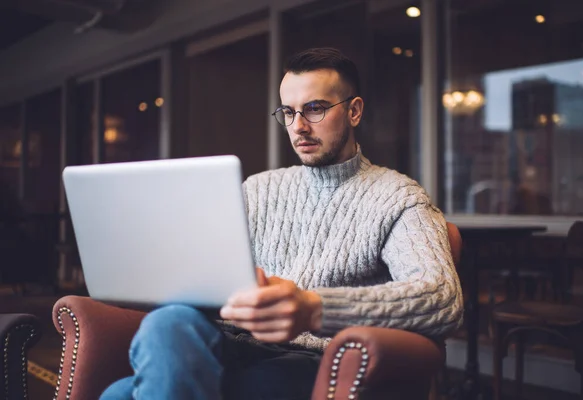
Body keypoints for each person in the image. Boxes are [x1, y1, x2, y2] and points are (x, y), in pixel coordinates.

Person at [100, 47, 463, 400]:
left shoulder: (397, 196)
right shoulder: (257, 189)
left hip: (310, 360)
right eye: (288, 112)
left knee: (120, 394)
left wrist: (314, 308)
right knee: (168, 323)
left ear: (354, 111)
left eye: (315, 109)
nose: (299, 126)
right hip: (225, 341)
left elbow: (442, 298)